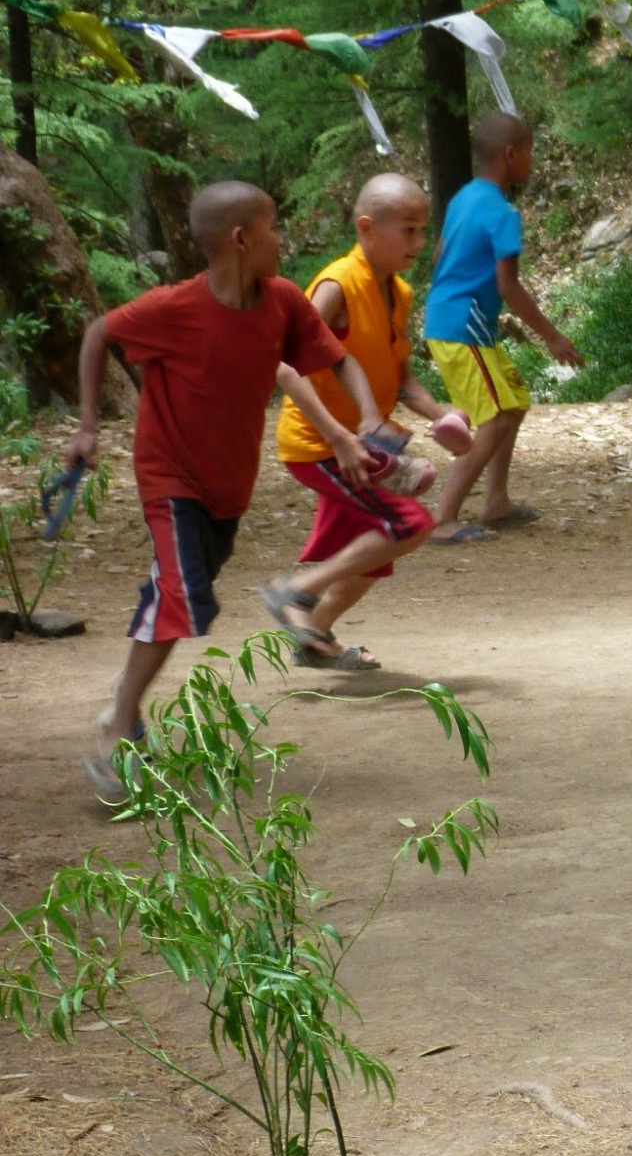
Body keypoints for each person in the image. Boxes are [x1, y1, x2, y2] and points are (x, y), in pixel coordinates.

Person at [66, 181, 385, 798]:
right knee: (179, 595)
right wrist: (86, 427)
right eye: (274, 227)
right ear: (241, 239)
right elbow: (98, 333)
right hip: (169, 477)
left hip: (227, 486)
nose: (282, 240)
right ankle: (118, 723)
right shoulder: (173, 308)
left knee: (183, 598)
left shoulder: (282, 302)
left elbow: (338, 359)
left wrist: (364, 420)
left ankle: (125, 692)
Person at [267, 174, 455, 670]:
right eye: (408, 230)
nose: (419, 242)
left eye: (423, 230)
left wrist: (445, 418)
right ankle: (295, 591)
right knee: (409, 524)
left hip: (365, 445)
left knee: (374, 554)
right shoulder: (337, 285)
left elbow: (402, 377)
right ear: (367, 228)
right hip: (320, 443)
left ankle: (314, 636)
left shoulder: (399, 291)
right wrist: (339, 436)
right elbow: (284, 363)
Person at [423, 111, 584, 543]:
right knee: (493, 420)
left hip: (451, 320)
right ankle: (443, 519)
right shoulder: (502, 212)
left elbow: (439, 256)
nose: (532, 160)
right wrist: (552, 336)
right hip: (464, 328)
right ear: (511, 154)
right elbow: (507, 284)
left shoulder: (463, 197)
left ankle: (495, 502)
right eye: (529, 152)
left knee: (512, 403)